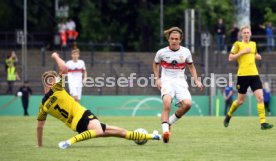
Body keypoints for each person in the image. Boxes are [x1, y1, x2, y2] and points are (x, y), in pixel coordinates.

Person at [37, 52, 161, 149]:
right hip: (82, 115)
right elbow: (64, 68)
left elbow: (39, 126)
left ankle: (153, 136)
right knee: (98, 131)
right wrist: (56, 56)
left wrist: (40, 145)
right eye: (54, 78)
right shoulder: (57, 89)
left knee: (121, 132)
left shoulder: (43, 106)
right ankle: (68, 142)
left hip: (76, 126)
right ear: (50, 82)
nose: (56, 80)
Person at [153, 27, 203, 143]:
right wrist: (157, 79)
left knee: (188, 104)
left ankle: (169, 122)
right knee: (167, 103)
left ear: (180, 40)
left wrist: (196, 80)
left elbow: (191, 66)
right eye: (172, 38)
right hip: (166, 81)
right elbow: (155, 64)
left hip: (180, 81)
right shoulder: (161, 52)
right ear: (168, 39)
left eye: (176, 39)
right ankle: (165, 131)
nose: (174, 41)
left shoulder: (185, 52)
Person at [223, 25, 273, 130]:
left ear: (250, 34)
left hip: (254, 74)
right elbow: (230, 57)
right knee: (240, 101)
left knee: (260, 97)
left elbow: (253, 55)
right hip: (242, 76)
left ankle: (263, 123)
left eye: (248, 32)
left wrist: (257, 56)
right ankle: (229, 115)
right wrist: (242, 52)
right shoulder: (237, 44)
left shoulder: (253, 44)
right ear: (241, 34)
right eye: (244, 32)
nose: (246, 34)